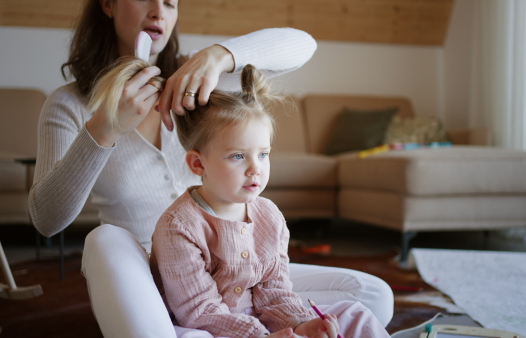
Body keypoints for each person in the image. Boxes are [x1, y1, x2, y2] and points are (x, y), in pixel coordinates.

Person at [28, 0, 393, 336]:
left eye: (170, 2)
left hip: (229, 270)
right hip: (146, 277)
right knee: (103, 239)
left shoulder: (198, 84)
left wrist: (219, 56)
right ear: (107, 3)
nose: (159, 11)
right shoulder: (69, 105)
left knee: (374, 295)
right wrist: (104, 128)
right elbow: (47, 220)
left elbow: (303, 45)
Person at [148, 63, 391, 338]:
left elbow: (274, 290)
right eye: (238, 156)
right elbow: (199, 311)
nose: (256, 168)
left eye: (263, 154)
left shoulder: (269, 215)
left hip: (258, 320)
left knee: (354, 313)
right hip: (208, 326)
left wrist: (300, 324)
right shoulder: (178, 226)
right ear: (198, 164)